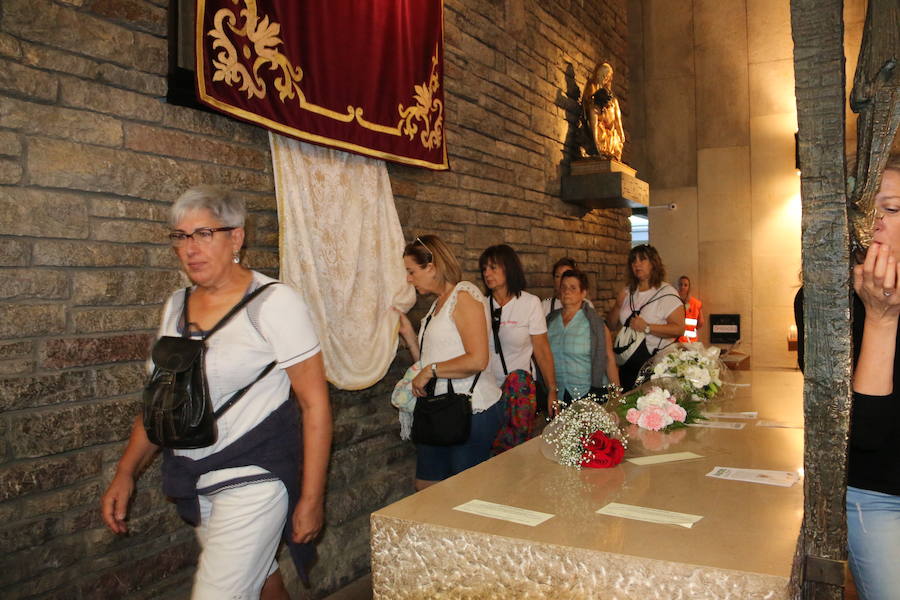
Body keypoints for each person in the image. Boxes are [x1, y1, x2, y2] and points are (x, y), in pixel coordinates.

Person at [100, 186, 332, 600]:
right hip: (195, 474)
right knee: (261, 577)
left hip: (254, 475)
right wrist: (126, 471)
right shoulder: (177, 305)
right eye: (181, 236)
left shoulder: (275, 303)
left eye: (204, 233)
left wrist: (312, 498)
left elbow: (315, 405)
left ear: (236, 237)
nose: (190, 248)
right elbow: (160, 400)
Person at [396, 235, 503, 490]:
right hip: (439, 410)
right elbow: (431, 361)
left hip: (469, 409)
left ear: (431, 267)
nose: (409, 278)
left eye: (411, 271)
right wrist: (411, 337)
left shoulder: (463, 295)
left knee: (462, 494)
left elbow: (477, 359)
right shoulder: (435, 306)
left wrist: (431, 370)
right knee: (426, 487)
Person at [847, 155, 900, 600]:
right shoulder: (826, 299)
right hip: (879, 493)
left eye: (894, 208)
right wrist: (881, 319)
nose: (877, 220)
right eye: (867, 207)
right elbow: (864, 434)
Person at [479, 244, 557, 438]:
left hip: (519, 392)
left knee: (515, 448)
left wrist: (552, 390)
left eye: (493, 267)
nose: (487, 273)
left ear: (509, 268)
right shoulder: (480, 304)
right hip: (488, 392)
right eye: (484, 269)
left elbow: (542, 350)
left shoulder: (529, 303)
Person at [607, 244, 684, 390]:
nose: (637, 264)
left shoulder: (666, 293)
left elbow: (679, 329)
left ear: (654, 263)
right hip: (627, 365)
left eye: (642, 260)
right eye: (633, 261)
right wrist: (617, 305)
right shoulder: (627, 292)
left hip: (655, 368)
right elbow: (611, 324)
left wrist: (647, 328)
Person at [547, 269, 619, 411]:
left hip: (589, 393)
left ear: (583, 293)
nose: (567, 291)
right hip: (559, 395)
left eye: (573, 288)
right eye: (563, 287)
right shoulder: (549, 321)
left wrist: (617, 393)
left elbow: (609, 358)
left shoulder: (595, 324)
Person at [581, 61, 625, 161]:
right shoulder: (592, 86)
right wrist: (600, 106)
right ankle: (599, 148)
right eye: (609, 76)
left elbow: (609, 99)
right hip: (596, 116)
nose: (610, 79)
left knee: (615, 103)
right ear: (603, 75)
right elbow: (589, 104)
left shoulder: (606, 89)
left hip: (605, 117)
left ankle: (618, 130)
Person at [676, 275, 704, 343]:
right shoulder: (673, 301)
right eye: (681, 284)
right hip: (676, 340)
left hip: (690, 341)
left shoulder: (696, 303)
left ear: (689, 287)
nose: (682, 287)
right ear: (677, 286)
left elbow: (701, 322)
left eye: (685, 285)